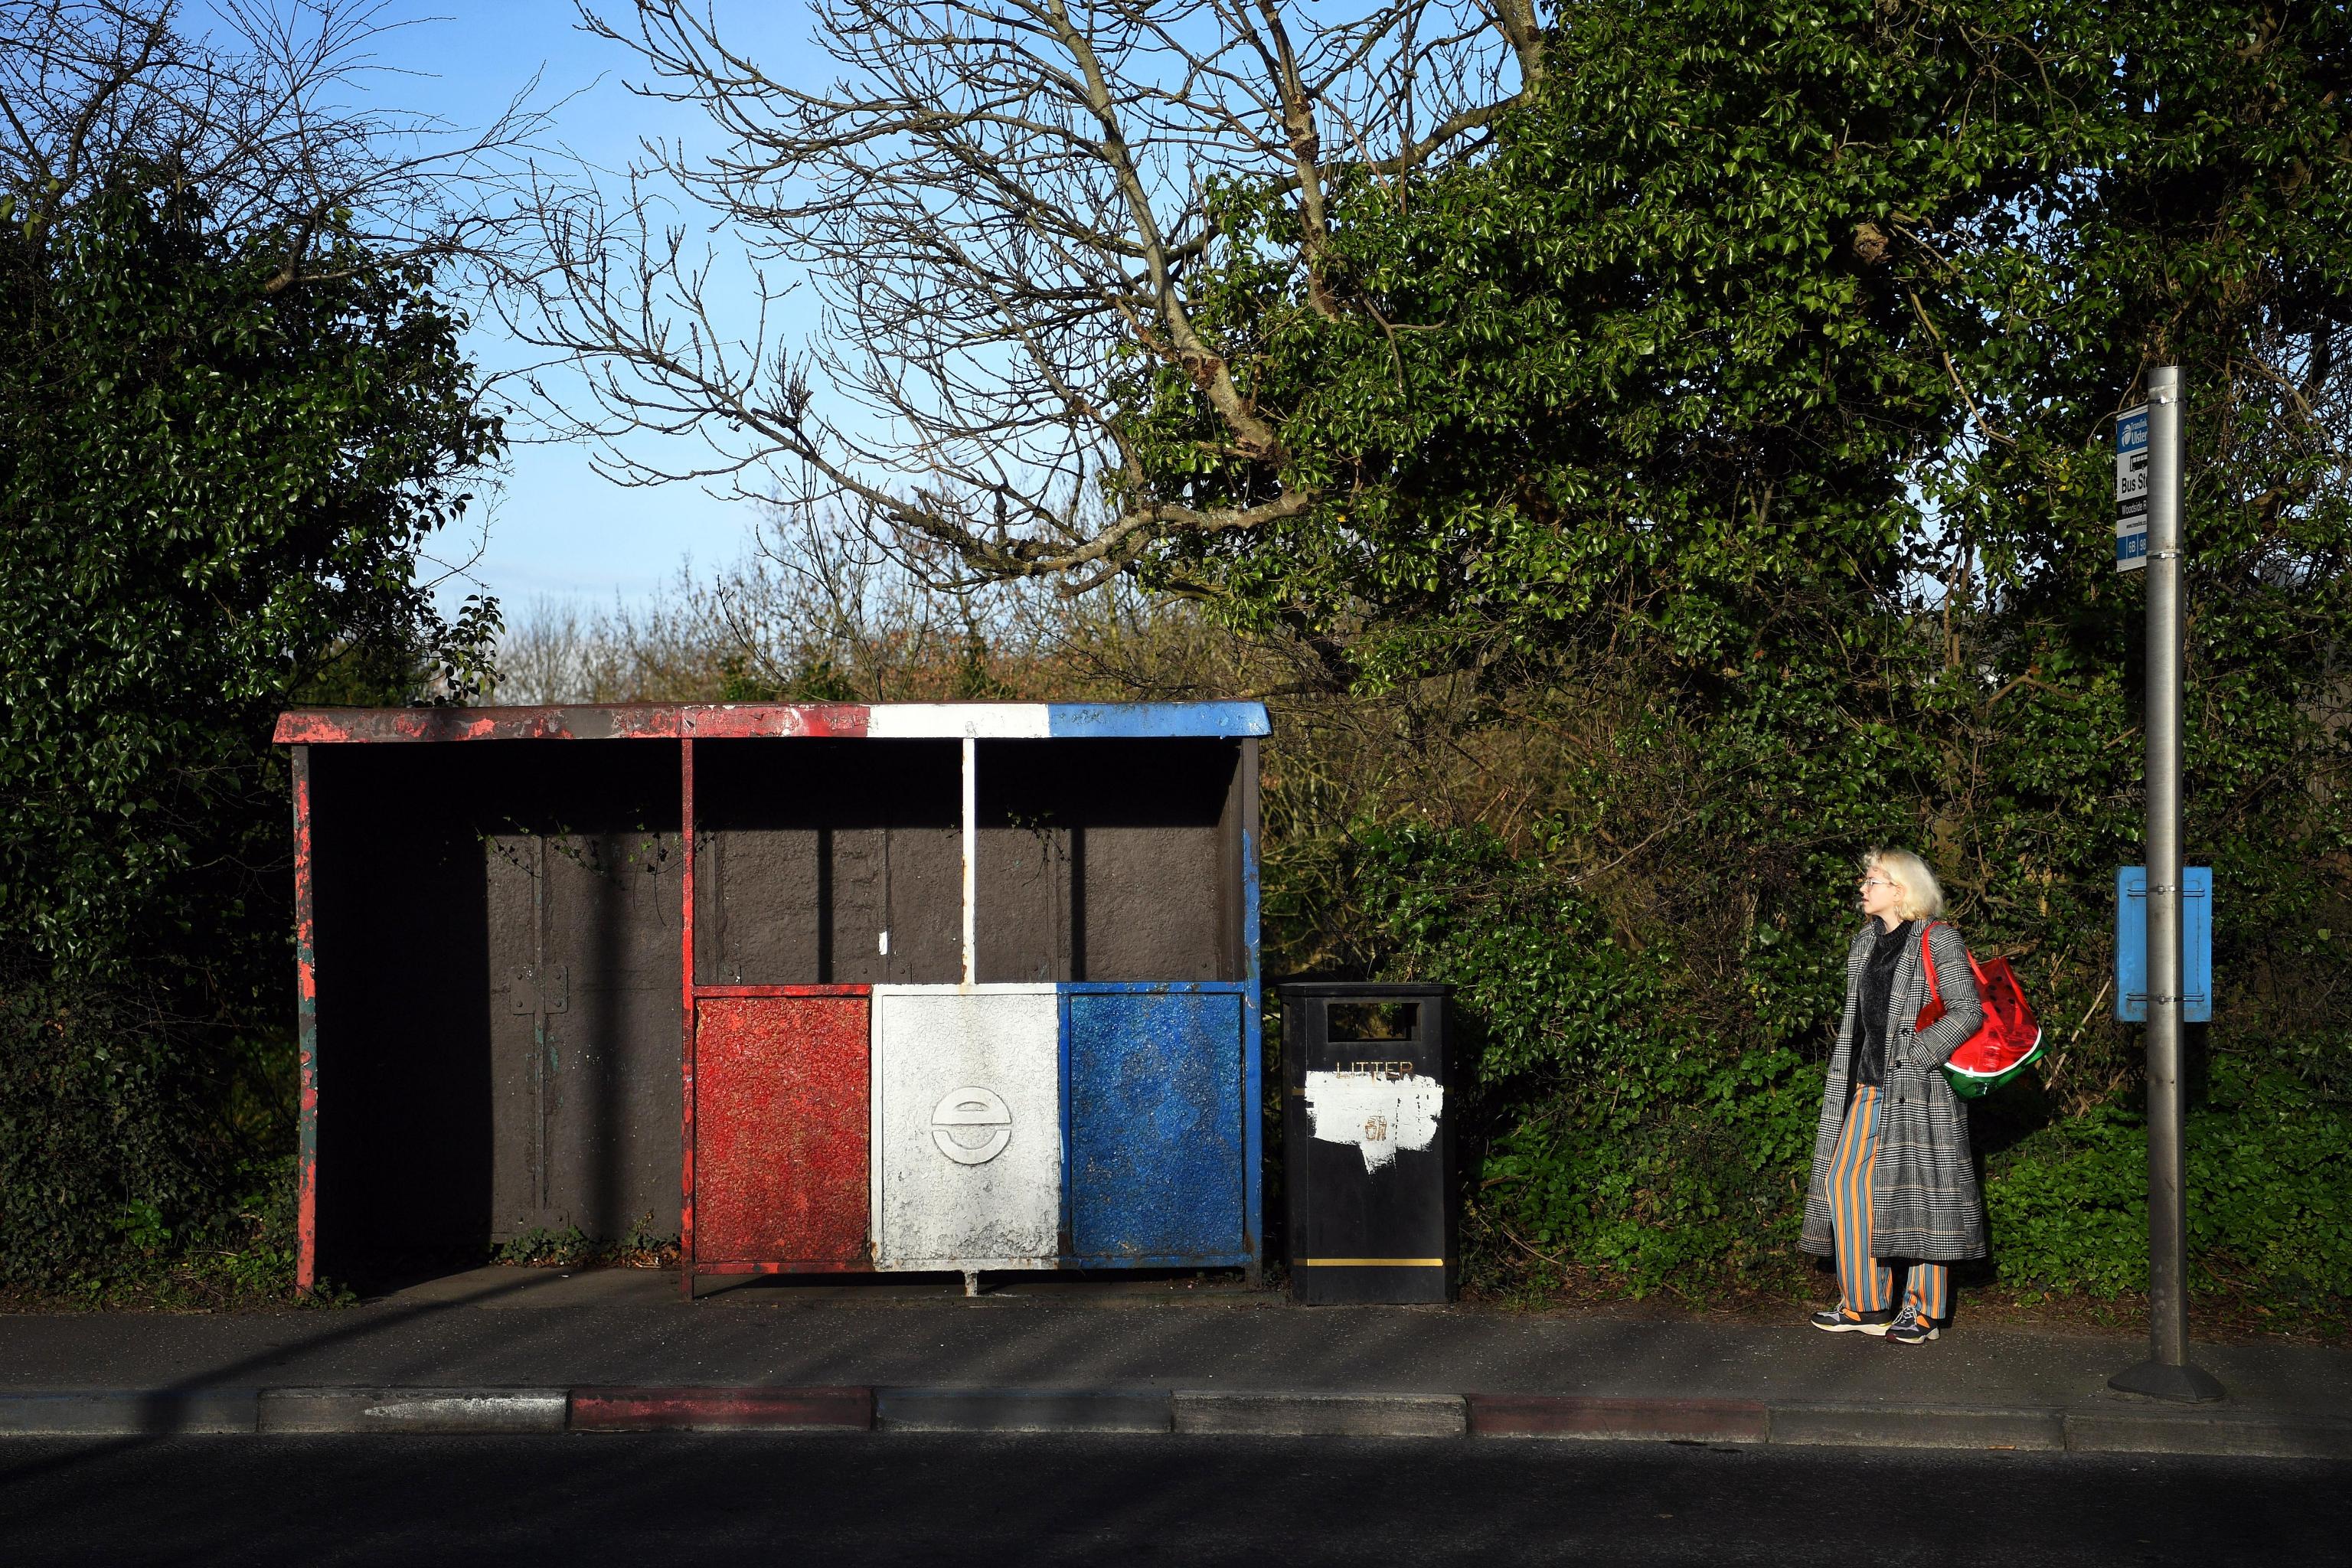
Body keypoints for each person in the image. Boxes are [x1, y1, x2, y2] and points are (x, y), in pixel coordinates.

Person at [1799, 849, 1988, 1344]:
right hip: (1868, 1086)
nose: (1862, 888)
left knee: (1922, 1195)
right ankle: (1864, 1304)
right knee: (1845, 1184)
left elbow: (1968, 1011)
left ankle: (1922, 1312)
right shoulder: (1865, 942)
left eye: (1873, 880)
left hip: (1922, 1089)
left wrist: (1916, 1054)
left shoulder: (1938, 938)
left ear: (1901, 889)